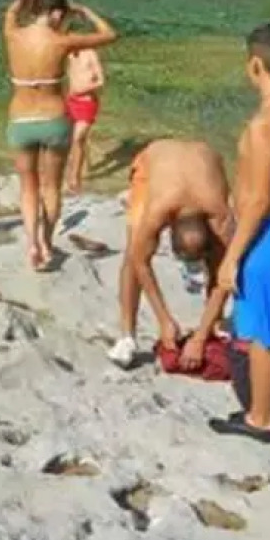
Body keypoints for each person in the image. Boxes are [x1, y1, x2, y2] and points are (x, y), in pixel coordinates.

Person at [187, 23, 270, 444]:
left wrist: (231, 256)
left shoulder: (263, 126)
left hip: (268, 233)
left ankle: (261, 419)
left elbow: (258, 199)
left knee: (261, 333)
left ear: (255, 65)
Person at [2, 0, 119, 270]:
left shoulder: (13, 34)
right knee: (51, 187)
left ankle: (32, 244)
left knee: (28, 186)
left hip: (20, 120)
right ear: (55, 12)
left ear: (33, 8)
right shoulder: (62, 42)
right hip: (54, 119)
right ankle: (48, 242)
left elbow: (12, 11)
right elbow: (110, 34)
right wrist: (86, 11)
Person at [107, 139, 234, 369]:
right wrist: (164, 319)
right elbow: (140, 260)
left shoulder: (220, 214)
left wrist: (201, 335)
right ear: (169, 227)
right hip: (153, 163)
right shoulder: (159, 210)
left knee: (221, 259)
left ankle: (214, 322)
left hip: (206, 164)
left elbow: (226, 273)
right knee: (132, 251)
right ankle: (127, 336)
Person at [63, 42, 106, 194]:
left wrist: (81, 90)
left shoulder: (90, 53)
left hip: (87, 102)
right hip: (70, 101)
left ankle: (75, 178)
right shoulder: (67, 54)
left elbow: (101, 81)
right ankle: (75, 169)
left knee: (77, 138)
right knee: (70, 140)